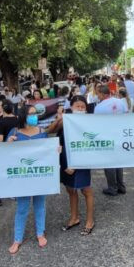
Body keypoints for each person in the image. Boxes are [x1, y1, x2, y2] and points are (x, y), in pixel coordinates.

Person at [47, 96, 95, 235]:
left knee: (86, 190)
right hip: (65, 159)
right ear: (71, 107)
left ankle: (90, 221)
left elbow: (89, 144)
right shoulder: (65, 119)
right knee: (70, 190)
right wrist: (59, 118)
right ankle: (74, 218)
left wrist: (76, 164)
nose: (80, 109)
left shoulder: (88, 122)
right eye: (77, 106)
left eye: (83, 106)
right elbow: (49, 131)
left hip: (82, 159)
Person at [6, 105, 51, 254]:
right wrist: (8, 145)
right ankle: (17, 239)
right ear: (23, 116)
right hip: (22, 178)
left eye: (35, 113)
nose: (34, 116)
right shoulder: (14, 133)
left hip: (38, 176)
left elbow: (48, 152)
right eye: (31, 114)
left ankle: (40, 233)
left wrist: (56, 150)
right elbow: (5, 155)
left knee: (40, 205)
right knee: (22, 209)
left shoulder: (42, 132)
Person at [95, 86, 127, 196]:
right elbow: (126, 116)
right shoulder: (120, 102)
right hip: (120, 134)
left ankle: (112, 188)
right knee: (119, 161)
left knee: (109, 163)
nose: (97, 96)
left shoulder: (99, 107)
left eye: (98, 94)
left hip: (107, 136)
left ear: (103, 94)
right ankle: (121, 186)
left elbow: (97, 124)